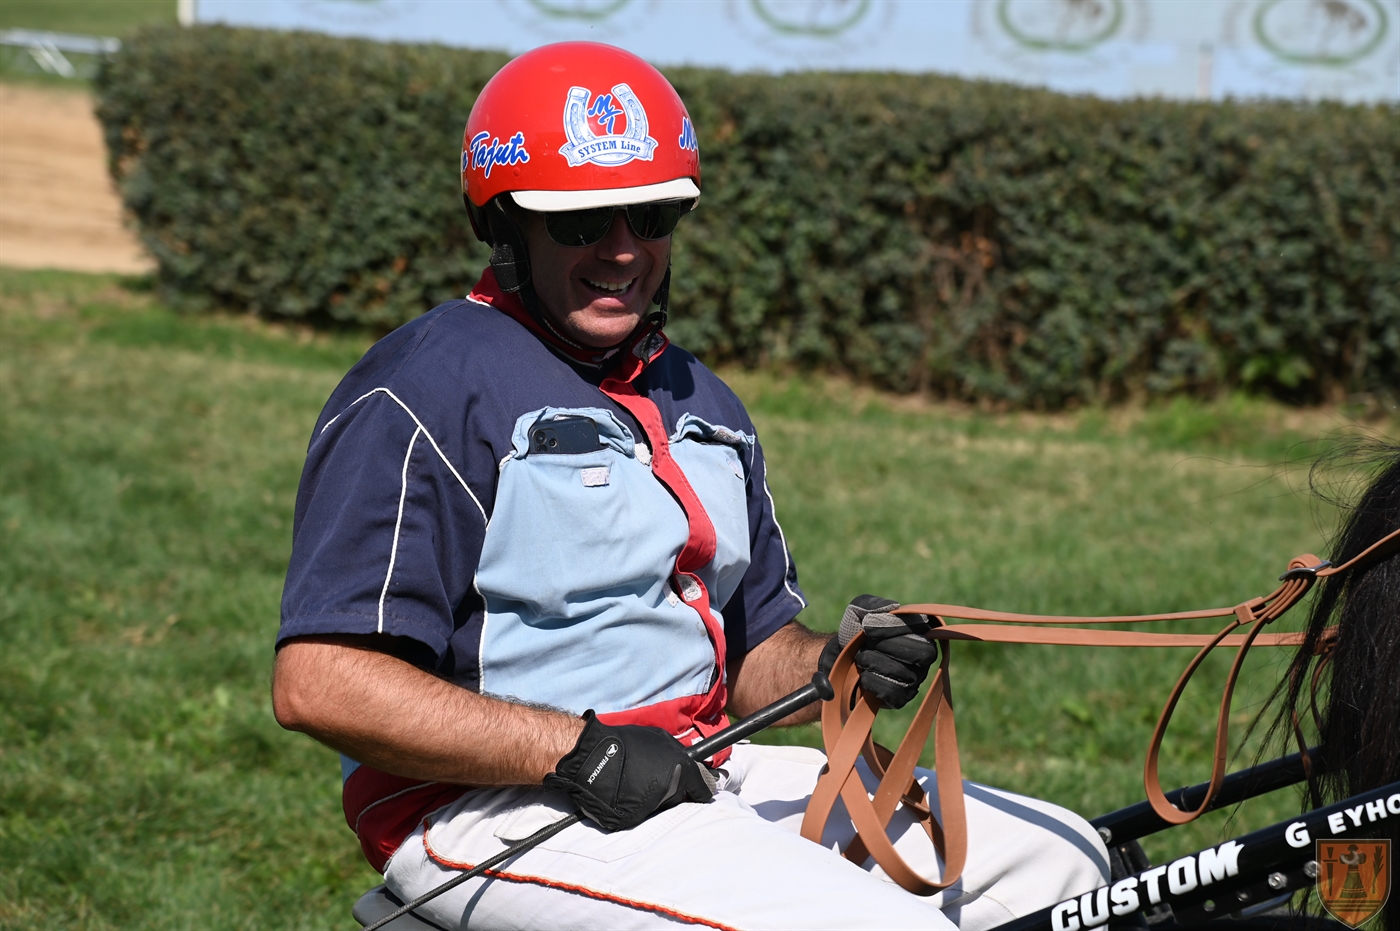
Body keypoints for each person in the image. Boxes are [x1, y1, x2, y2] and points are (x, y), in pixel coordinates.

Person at [271, 41, 1108, 930]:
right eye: (582, 223)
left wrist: (837, 661)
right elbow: (321, 681)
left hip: (703, 765)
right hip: (494, 807)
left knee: (1068, 864)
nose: (624, 250)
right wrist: (577, 751)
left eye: (652, 214)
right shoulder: (421, 390)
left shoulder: (702, 398)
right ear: (505, 225)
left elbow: (749, 658)